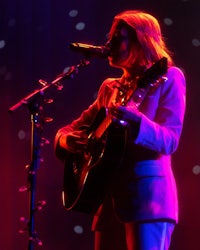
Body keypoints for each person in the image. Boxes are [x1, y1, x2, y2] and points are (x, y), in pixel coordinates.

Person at [54, 10, 186, 250]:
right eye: (110, 37)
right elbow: (69, 129)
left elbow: (170, 140)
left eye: (117, 38)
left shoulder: (169, 78)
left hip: (148, 201)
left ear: (141, 41)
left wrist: (137, 121)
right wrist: (66, 141)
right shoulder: (109, 88)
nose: (108, 44)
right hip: (107, 203)